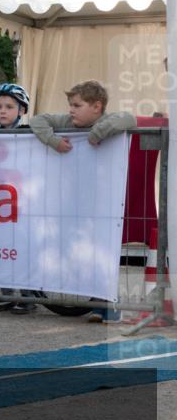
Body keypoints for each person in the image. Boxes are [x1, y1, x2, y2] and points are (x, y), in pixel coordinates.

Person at [30, 80, 136, 324]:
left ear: (97, 107)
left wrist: (98, 133)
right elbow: (38, 120)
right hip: (74, 199)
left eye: (77, 105)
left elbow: (129, 119)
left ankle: (106, 305)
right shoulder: (68, 122)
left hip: (102, 202)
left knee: (102, 252)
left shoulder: (107, 119)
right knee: (81, 251)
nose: (71, 110)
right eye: (70, 105)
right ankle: (90, 299)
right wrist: (53, 140)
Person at [0, 84, 39, 314]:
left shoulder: (28, 134)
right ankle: (5, 294)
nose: (2, 111)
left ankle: (28, 296)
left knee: (22, 250)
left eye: (9, 106)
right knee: (1, 249)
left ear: (22, 110)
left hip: (23, 203)